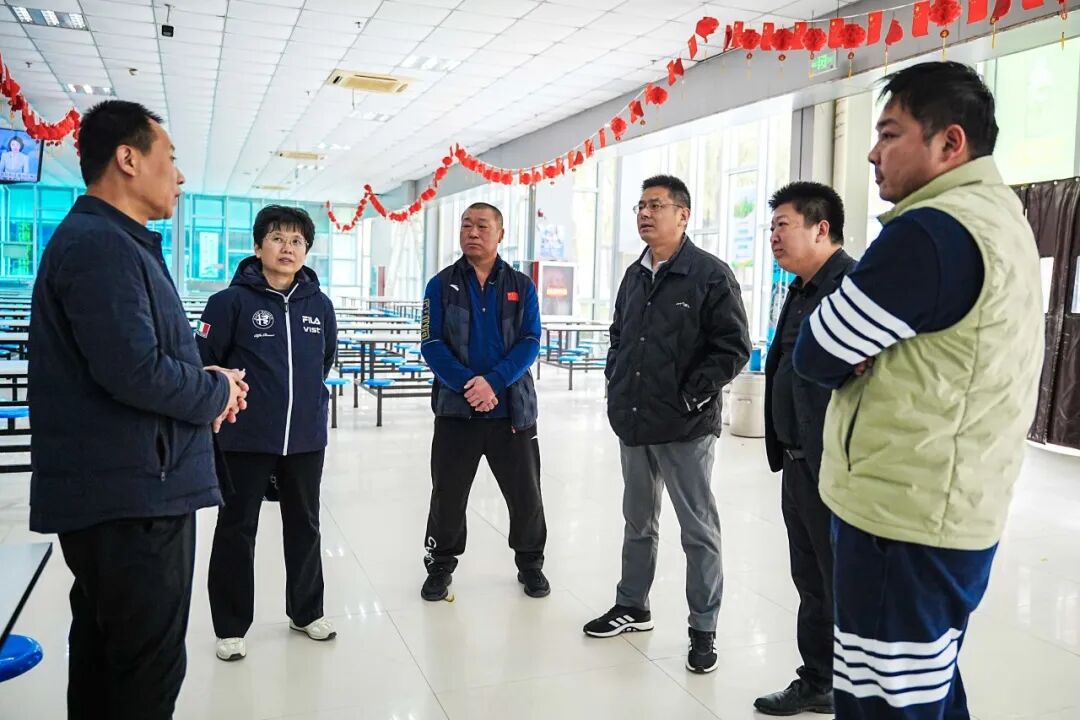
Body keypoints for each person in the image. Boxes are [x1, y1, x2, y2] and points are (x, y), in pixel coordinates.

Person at [793, 62, 1043, 719]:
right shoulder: (1001, 218)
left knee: (885, 701)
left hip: (900, 516)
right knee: (928, 687)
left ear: (949, 143)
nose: (872, 153)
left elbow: (816, 351)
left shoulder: (929, 233)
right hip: (958, 502)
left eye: (889, 133)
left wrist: (855, 350)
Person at [29, 99, 248, 719]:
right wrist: (216, 392)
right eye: (170, 158)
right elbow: (135, 371)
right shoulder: (101, 245)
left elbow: (139, 357)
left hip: (127, 488)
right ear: (128, 159)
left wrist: (202, 377)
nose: (179, 176)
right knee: (144, 674)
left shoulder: (112, 241)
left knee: (106, 659)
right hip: (134, 497)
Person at [584, 175, 751, 675]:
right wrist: (616, 382)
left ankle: (703, 628)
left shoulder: (709, 275)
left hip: (685, 427)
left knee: (698, 530)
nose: (644, 213)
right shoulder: (634, 275)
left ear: (683, 214)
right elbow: (619, 336)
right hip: (635, 422)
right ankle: (632, 605)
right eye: (640, 205)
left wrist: (690, 395)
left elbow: (733, 347)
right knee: (638, 522)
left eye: (655, 205)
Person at [196, 205, 339, 662]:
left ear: (306, 251)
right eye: (277, 238)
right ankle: (231, 627)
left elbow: (324, 362)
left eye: (297, 241)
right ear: (258, 247)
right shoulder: (229, 303)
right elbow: (205, 362)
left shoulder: (320, 305)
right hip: (244, 437)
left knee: (305, 525)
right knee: (237, 528)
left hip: (305, 438)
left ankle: (306, 611)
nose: (287, 248)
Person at [754, 182, 854, 716]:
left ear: (821, 228)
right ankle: (818, 679)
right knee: (811, 579)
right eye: (771, 226)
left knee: (841, 583)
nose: (774, 236)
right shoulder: (800, 288)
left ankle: (852, 688)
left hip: (835, 465)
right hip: (797, 462)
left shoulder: (852, 286)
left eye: (783, 225)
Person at [419, 201, 547, 602]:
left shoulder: (521, 285)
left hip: (513, 412)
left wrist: (493, 382)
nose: (472, 232)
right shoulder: (440, 285)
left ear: (500, 234)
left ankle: (531, 563)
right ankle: (440, 565)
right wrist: (468, 385)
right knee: (448, 494)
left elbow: (531, 341)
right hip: (456, 411)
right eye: (466, 225)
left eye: (482, 226)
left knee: (526, 494)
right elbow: (431, 343)